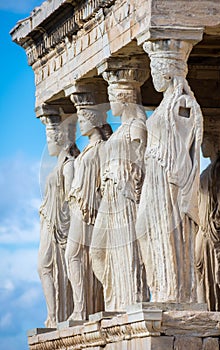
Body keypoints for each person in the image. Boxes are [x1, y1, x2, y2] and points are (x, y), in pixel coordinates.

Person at [136, 39, 203, 303]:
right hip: (154, 175)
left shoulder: (182, 103)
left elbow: (187, 143)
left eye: (155, 70)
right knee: (144, 228)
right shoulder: (166, 104)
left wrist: (178, 181)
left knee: (165, 229)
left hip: (167, 177)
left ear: (166, 70)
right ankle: (161, 288)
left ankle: (172, 291)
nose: (153, 77)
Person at [90, 85, 149, 311]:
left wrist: (134, 187)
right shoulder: (120, 130)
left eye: (112, 98)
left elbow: (143, 160)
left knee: (125, 247)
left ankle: (129, 298)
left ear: (123, 99)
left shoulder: (135, 126)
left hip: (125, 194)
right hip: (110, 194)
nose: (110, 103)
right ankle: (115, 295)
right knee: (98, 249)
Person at [65, 106, 112, 321]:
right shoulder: (87, 149)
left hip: (91, 209)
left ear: (93, 121)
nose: (81, 123)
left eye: (84, 118)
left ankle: (83, 309)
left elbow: (105, 179)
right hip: (80, 207)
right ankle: (84, 307)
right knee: (79, 256)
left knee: (75, 254)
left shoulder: (102, 148)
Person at [38, 114, 79, 328]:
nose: (48, 145)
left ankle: (56, 316)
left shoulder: (69, 166)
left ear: (60, 139)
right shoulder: (59, 166)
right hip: (48, 221)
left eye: (50, 140)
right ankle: (53, 315)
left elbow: (72, 198)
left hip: (59, 226)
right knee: (44, 268)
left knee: (45, 266)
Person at [196, 117, 220, 311]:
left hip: (215, 232)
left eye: (205, 141)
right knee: (201, 270)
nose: (202, 145)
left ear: (216, 144)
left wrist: (212, 227)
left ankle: (218, 310)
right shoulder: (208, 170)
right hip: (205, 230)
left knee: (214, 275)